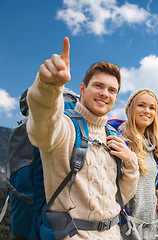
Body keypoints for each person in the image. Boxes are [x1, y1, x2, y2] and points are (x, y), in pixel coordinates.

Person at [26, 37, 139, 239]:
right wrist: (48, 88)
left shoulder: (112, 135)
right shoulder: (64, 126)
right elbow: (41, 127)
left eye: (112, 90)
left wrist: (131, 163)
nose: (105, 93)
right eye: (98, 86)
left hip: (113, 234)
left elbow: (122, 196)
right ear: (82, 89)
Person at [117, 89, 158, 239]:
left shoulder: (154, 146)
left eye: (152, 107)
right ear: (130, 108)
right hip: (127, 230)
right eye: (141, 105)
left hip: (151, 229)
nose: (147, 111)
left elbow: (151, 185)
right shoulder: (120, 142)